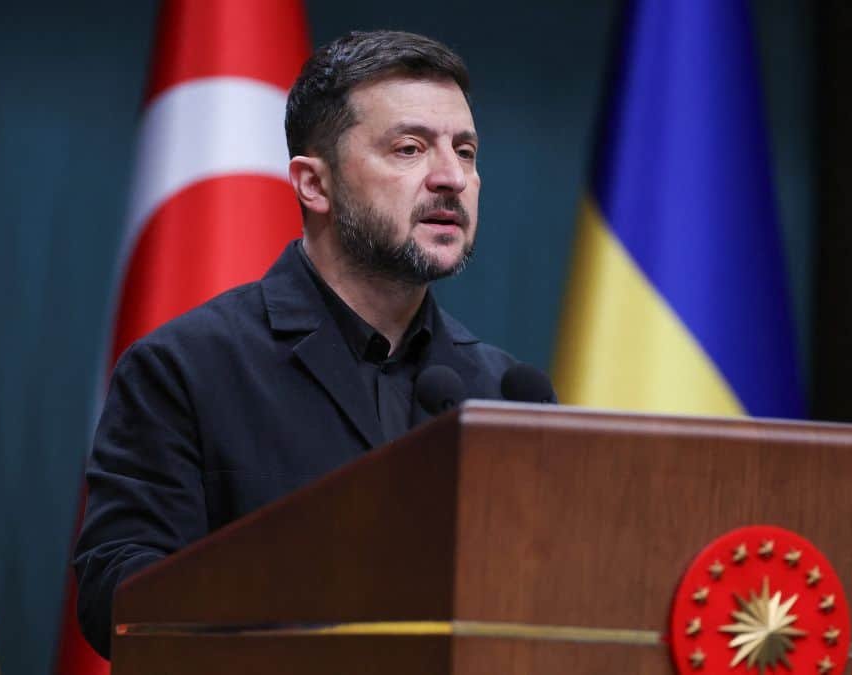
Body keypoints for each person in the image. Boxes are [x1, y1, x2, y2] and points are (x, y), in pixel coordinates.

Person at [73, 30, 520, 658]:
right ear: (314, 185)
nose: (451, 178)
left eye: (465, 151)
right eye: (410, 148)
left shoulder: (501, 392)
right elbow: (117, 599)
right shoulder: (187, 369)